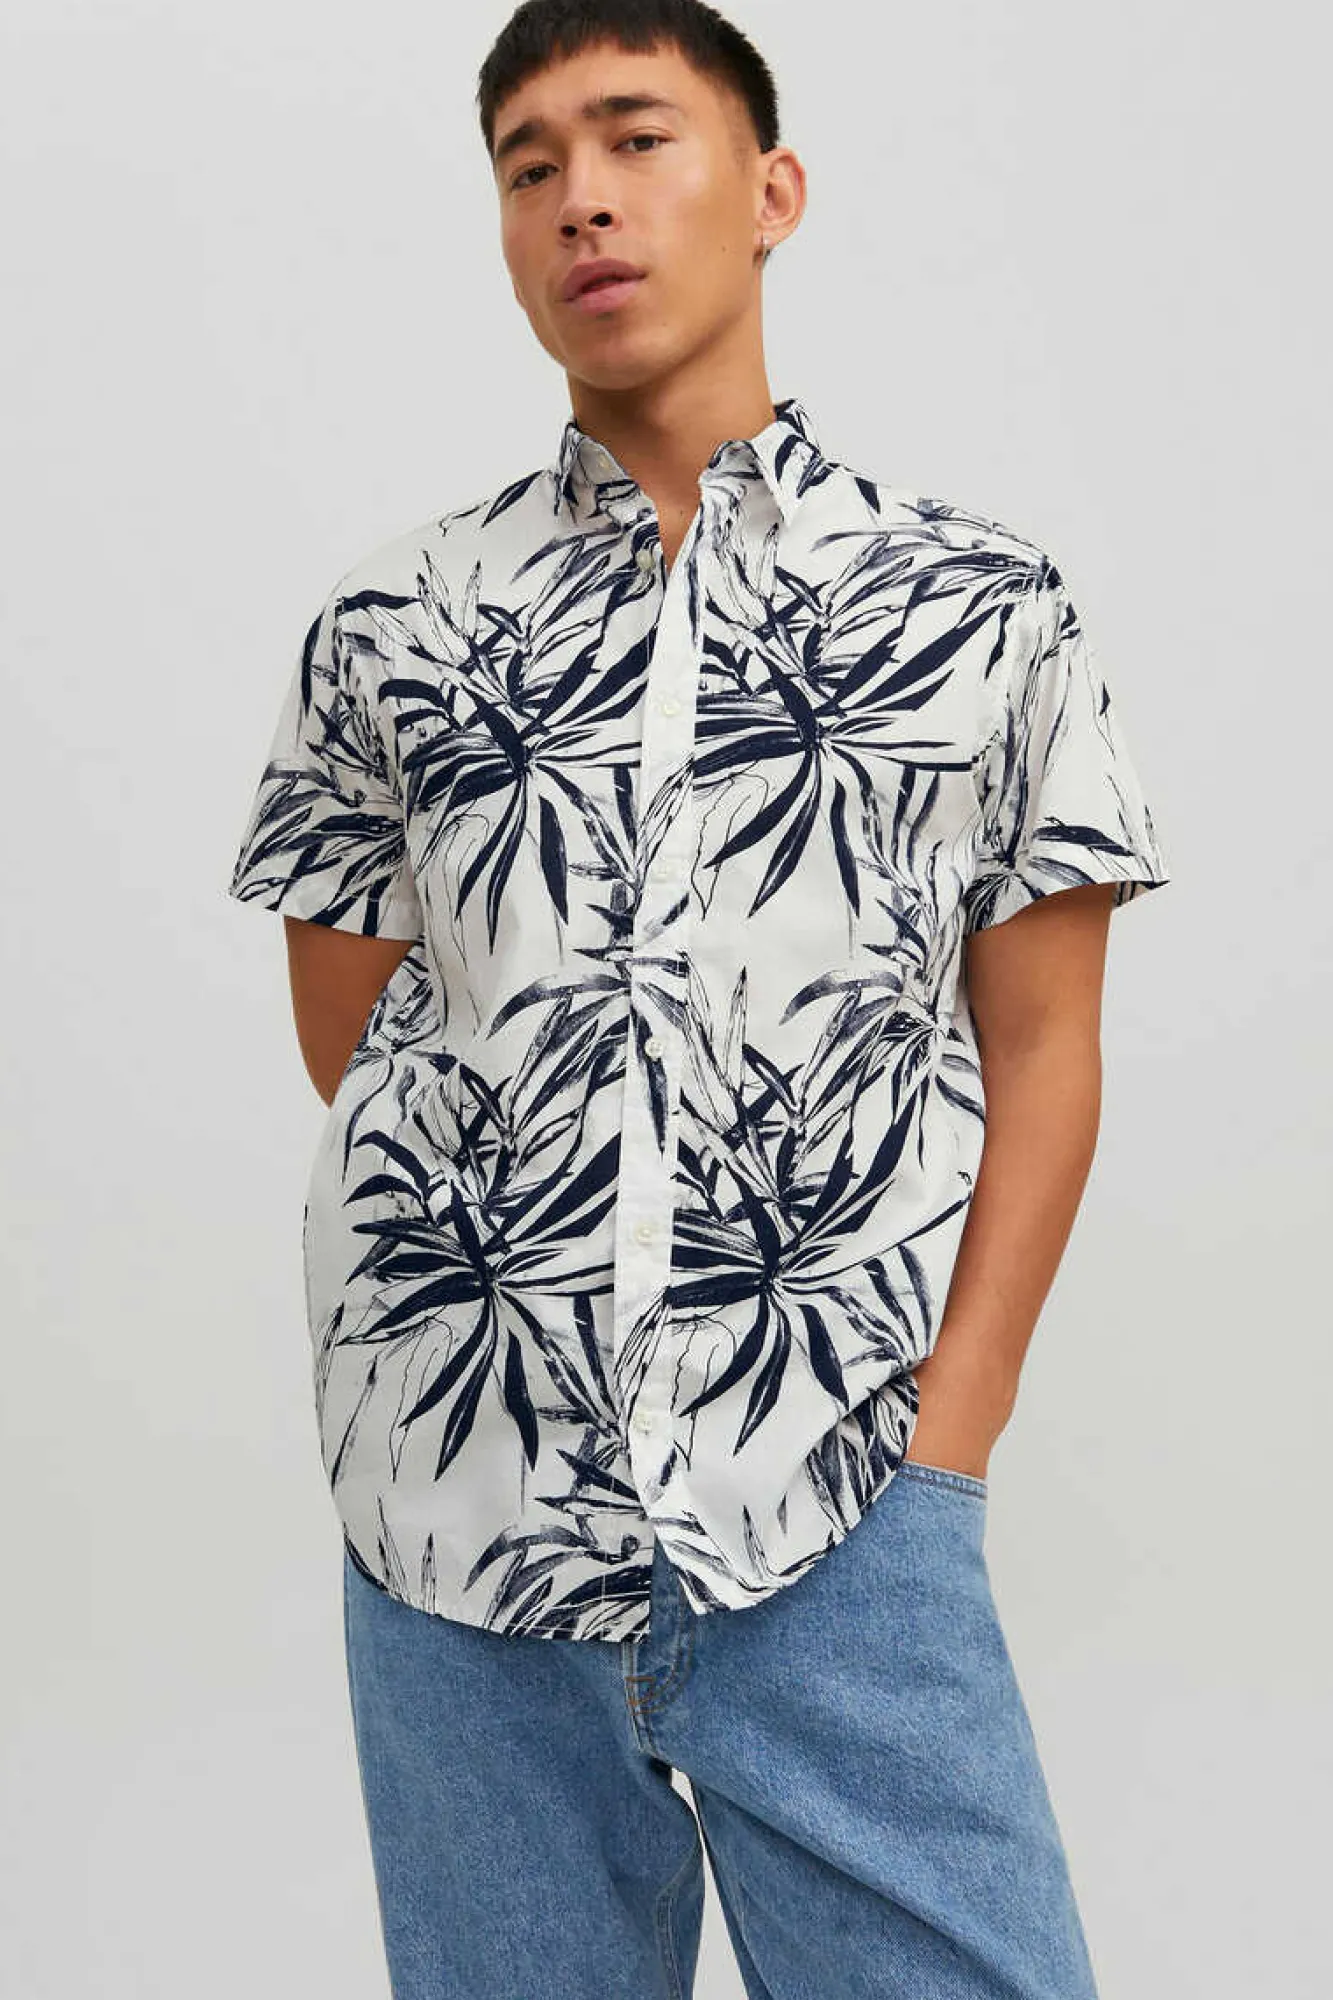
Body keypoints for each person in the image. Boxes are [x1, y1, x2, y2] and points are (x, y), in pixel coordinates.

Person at [226, 2, 1170, 1994]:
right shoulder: (393, 624)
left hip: (840, 1496)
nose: (583, 198)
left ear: (771, 189)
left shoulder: (979, 607)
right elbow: (363, 1041)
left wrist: (949, 1432)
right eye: (531, 165)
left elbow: (1046, 1047)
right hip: (461, 1515)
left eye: (637, 136)